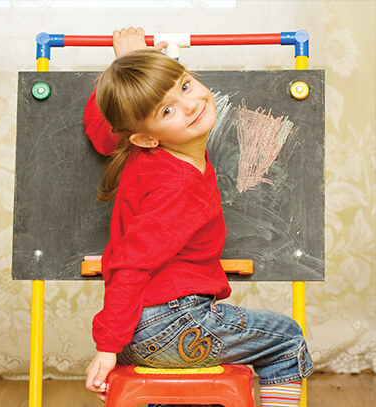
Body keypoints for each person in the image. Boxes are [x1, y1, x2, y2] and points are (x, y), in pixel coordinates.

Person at [84, 27, 313, 406]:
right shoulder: (177, 187)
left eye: (185, 86)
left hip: (145, 327)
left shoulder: (145, 151)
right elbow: (131, 264)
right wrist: (107, 347)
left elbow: (104, 131)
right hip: (170, 323)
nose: (190, 105)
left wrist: (124, 63)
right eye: (168, 110)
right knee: (286, 338)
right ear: (144, 136)